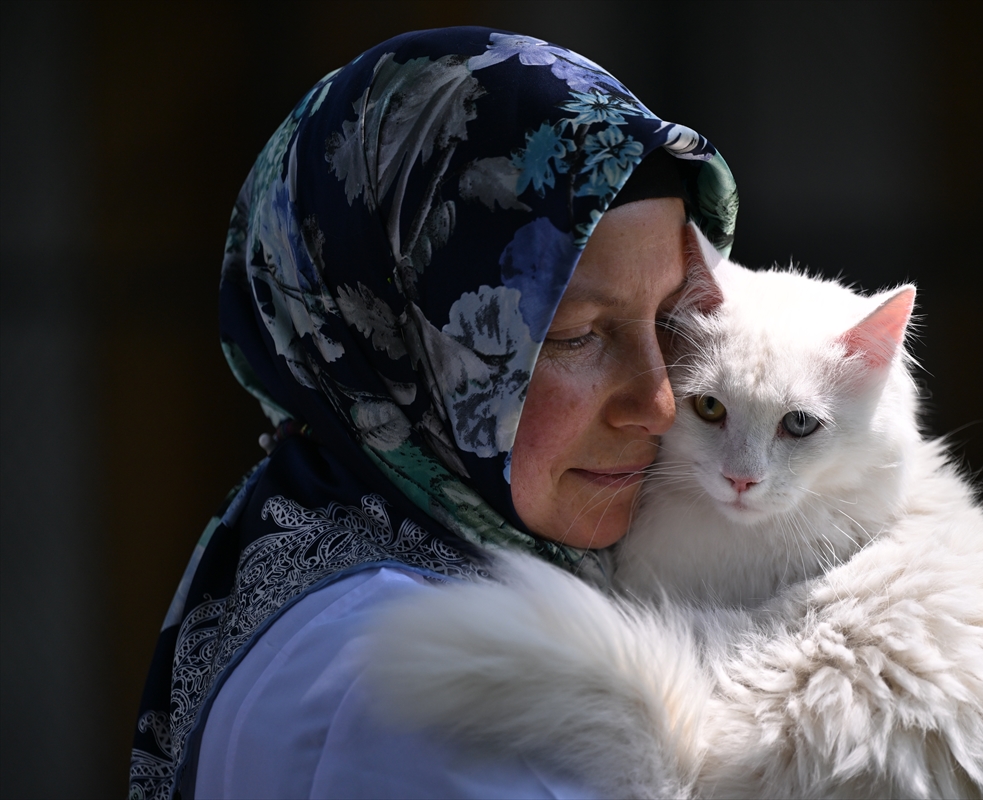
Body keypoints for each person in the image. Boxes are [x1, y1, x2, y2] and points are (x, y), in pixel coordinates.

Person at [128, 27, 737, 800]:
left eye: (674, 326)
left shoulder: (307, 542)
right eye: (576, 336)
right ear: (396, 338)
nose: (657, 402)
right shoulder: (433, 685)